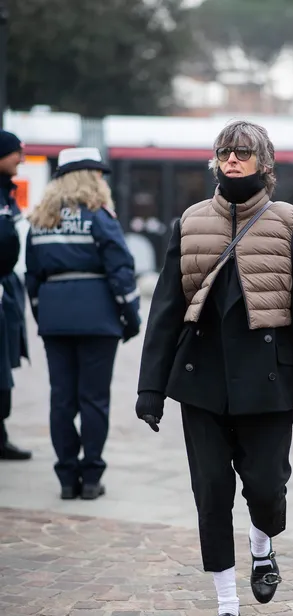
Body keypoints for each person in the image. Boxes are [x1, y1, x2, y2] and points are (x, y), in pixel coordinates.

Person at [136, 121, 293, 616]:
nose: (232, 159)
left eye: (243, 152)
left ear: (264, 162)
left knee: (266, 488)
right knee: (210, 495)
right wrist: (150, 386)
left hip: (268, 384)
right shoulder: (190, 221)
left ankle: (262, 545)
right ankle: (226, 608)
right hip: (201, 382)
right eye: (225, 150)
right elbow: (166, 308)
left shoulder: (291, 222)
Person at [25, 148, 140, 500]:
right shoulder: (98, 216)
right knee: (94, 400)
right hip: (98, 319)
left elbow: (32, 277)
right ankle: (91, 478)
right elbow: (120, 268)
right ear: (90, 178)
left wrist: (43, 315)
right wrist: (131, 315)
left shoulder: (41, 220)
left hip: (55, 320)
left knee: (61, 399)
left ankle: (65, 477)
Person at [0, 130, 31, 461]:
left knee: (3, 365)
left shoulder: (6, 192)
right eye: (16, 153)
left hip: (6, 287)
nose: (21, 159)